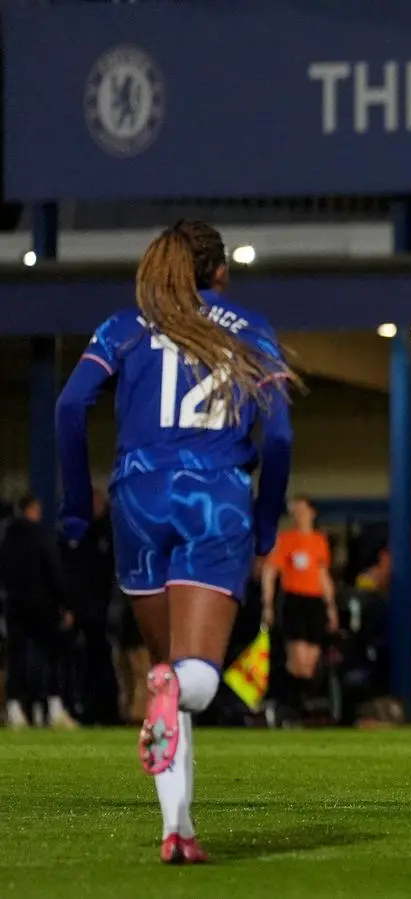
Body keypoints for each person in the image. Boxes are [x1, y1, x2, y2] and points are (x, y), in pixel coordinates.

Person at [55, 219, 297, 863]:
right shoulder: (249, 328)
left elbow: (69, 407)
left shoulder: (125, 325)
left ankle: (178, 831)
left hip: (136, 501)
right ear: (219, 272)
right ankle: (174, 702)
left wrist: (77, 507)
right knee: (195, 678)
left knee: (165, 669)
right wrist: (267, 520)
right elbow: (278, 436)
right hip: (213, 500)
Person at [0, 494, 77, 730]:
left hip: (14, 606)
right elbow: (54, 570)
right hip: (43, 607)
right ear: (32, 509)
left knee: (17, 658)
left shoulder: (7, 538)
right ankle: (50, 707)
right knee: (49, 658)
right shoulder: (41, 535)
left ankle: (15, 709)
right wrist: (65, 603)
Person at [261, 496, 337, 719]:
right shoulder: (286, 539)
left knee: (311, 660)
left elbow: (323, 575)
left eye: (302, 510)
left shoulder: (319, 541)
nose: (299, 515)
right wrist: (268, 604)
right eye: (295, 511)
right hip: (294, 600)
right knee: (297, 658)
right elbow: (270, 572)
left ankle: (304, 703)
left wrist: (330, 605)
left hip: (314, 602)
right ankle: (294, 706)